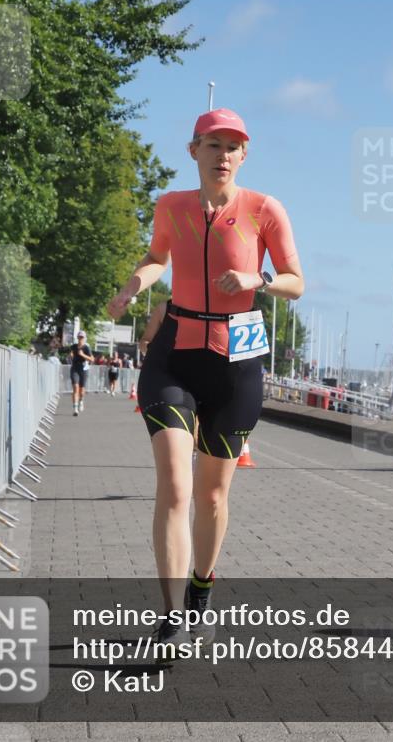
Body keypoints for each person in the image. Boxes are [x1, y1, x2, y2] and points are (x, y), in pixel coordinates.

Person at [107, 108, 303, 652]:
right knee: (174, 485)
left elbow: (296, 281)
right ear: (193, 150)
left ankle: (200, 589)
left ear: (244, 156)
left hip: (237, 360)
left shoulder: (264, 209)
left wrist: (256, 280)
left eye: (233, 147)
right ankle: (171, 616)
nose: (223, 155)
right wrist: (131, 287)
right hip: (176, 352)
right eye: (213, 145)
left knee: (212, 495)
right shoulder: (170, 205)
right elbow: (156, 256)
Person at [69, 331, 94, 415]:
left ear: (84, 338)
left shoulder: (86, 348)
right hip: (75, 368)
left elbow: (92, 359)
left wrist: (83, 355)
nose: (80, 339)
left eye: (82, 337)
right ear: (77, 338)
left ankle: (81, 401)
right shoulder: (74, 346)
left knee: (81, 390)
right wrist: (71, 355)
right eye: (79, 337)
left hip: (84, 369)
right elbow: (71, 353)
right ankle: (75, 408)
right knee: (75, 387)